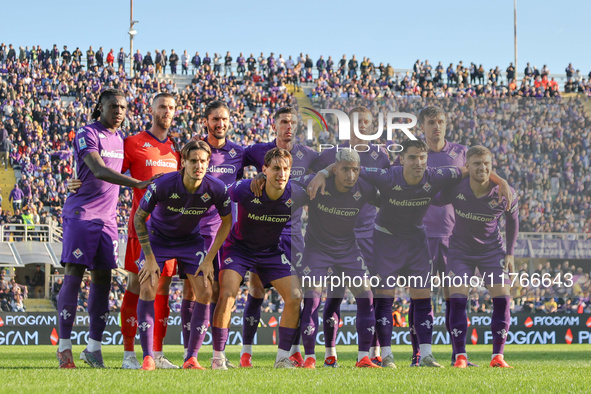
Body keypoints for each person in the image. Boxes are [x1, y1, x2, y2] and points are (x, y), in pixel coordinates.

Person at [68, 93, 182, 369]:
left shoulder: (176, 148)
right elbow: (103, 170)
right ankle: (130, 354)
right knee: (137, 284)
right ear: (151, 110)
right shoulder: (131, 143)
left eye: (171, 108)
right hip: (141, 229)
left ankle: (156, 353)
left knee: (163, 287)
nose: (166, 112)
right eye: (162, 107)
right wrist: (74, 179)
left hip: (170, 231)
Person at [56, 89, 155, 369]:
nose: (120, 111)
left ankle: (94, 349)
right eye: (114, 106)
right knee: (73, 274)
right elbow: (98, 170)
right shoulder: (87, 132)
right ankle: (64, 348)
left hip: (108, 220)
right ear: (100, 107)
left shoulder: (121, 140)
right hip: (82, 214)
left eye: (123, 107)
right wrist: (135, 183)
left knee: (103, 279)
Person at [134, 139, 232, 370]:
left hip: (191, 241)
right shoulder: (164, 184)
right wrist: (149, 258)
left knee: (206, 291)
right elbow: (139, 217)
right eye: (194, 161)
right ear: (183, 163)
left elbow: (227, 222)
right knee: (147, 286)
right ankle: (148, 357)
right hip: (158, 239)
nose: (199, 166)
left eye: (203, 161)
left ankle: (191, 357)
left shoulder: (216, 188)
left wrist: (209, 259)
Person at [309, 106, 389, 367]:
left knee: (371, 294)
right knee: (333, 294)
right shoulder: (330, 155)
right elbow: (313, 181)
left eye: (368, 122)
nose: (364, 126)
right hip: (333, 236)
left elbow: (387, 191)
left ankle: (371, 350)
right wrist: (322, 173)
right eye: (358, 122)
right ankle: (330, 351)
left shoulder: (381, 155)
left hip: (369, 235)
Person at [212, 148, 306, 369]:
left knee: (295, 296)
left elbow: (319, 182)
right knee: (227, 294)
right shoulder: (246, 188)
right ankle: (218, 358)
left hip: (270, 251)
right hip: (239, 248)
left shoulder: (297, 193)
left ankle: (282, 359)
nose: (281, 174)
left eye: (285, 169)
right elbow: (219, 192)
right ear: (264, 170)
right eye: (275, 168)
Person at [240, 107, 318, 367]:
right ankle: (246, 353)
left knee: (297, 295)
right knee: (256, 290)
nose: (289, 126)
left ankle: (293, 350)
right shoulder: (257, 151)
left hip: (294, 234)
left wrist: (324, 174)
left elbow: (325, 171)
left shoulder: (308, 155)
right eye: (284, 121)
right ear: (274, 125)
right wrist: (251, 180)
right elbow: (234, 164)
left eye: (293, 123)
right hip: (263, 232)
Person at [433, 146, 518, 368]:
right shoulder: (456, 187)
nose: (482, 168)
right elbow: (436, 198)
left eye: (487, 164)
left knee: (503, 298)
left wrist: (510, 253)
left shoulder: (504, 192)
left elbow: (513, 221)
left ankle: (497, 356)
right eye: (477, 164)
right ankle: (460, 356)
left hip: (492, 251)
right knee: (458, 300)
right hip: (460, 251)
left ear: (492, 167)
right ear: (467, 166)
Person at [296, 149, 380, 368]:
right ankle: (310, 358)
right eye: (345, 169)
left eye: (355, 170)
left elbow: (389, 192)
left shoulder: (365, 188)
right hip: (317, 250)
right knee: (312, 300)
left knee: (366, 297)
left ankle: (363, 357)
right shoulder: (317, 183)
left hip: (348, 251)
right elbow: (287, 183)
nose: (351, 175)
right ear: (335, 169)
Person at [192, 101, 244, 363]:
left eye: (224, 119)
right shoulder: (196, 149)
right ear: (206, 121)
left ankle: (218, 354)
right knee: (198, 291)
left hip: (227, 232)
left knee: (225, 292)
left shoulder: (239, 152)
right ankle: (193, 355)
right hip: (197, 230)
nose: (220, 124)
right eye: (215, 119)